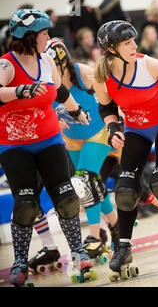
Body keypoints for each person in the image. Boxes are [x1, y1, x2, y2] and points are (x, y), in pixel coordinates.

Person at [0, 9, 92, 285]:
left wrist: (75, 112)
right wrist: (21, 91)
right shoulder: (7, 65)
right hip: (15, 145)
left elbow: (59, 91)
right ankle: (19, 262)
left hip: (49, 139)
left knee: (66, 198)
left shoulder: (47, 59)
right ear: (28, 36)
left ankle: (78, 251)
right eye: (44, 34)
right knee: (26, 205)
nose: (48, 38)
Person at [92, 20, 158, 280]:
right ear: (111, 49)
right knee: (124, 189)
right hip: (136, 131)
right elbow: (106, 107)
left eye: (134, 41)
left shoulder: (149, 64)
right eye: (127, 43)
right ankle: (123, 247)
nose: (134, 46)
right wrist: (112, 129)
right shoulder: (102, 76)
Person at [47, 39, 120, 255]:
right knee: (91, 184)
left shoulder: (83, 72)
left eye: (55, 67)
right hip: (71, 137)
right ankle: (117, 227)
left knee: (84, 180)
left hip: (99, 132)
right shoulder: (45, 81)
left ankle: (94, 236)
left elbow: (110, 94)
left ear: (63, 63)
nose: (51, 72)